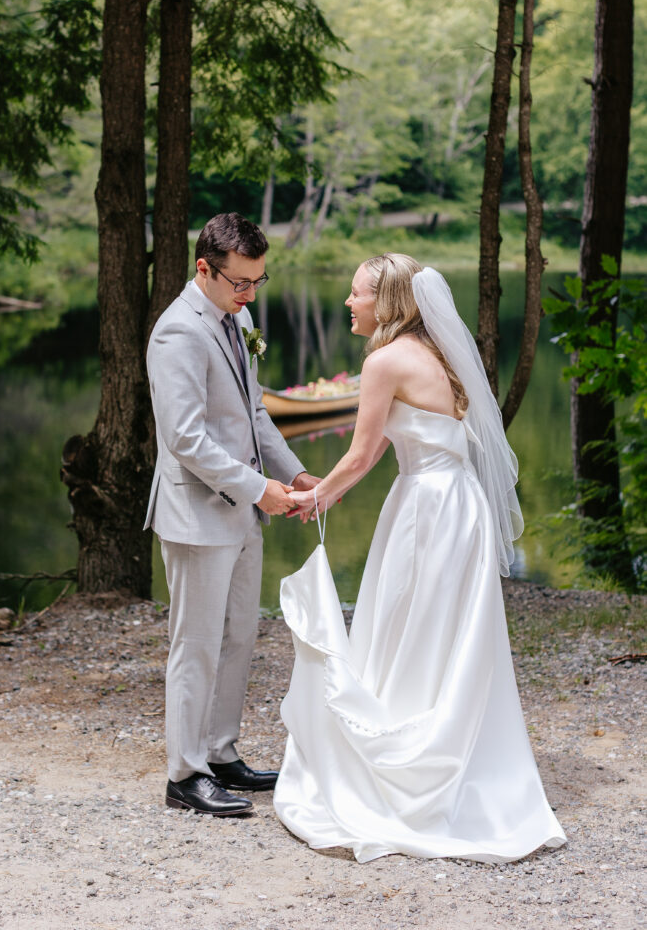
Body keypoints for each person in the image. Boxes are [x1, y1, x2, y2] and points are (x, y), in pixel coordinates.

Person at [276, 253, 566, 862]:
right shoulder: (438, 351)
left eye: (357, 295)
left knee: (409, 624)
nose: (349, 303)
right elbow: (385, 445)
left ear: (385, 303)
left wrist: (313, 498)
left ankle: (403, 769)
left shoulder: (384, 361)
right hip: (461, 508)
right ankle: (461, 756)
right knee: (452, 631)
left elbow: (360, 456)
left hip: (426, 512)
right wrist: (323, 489)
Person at [145, 213, 319, 817]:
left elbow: (253, 413)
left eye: (257, 282)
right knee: (195, 643)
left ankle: (221, 753)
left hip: (243, 511)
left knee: (240, 635)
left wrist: (293, 473)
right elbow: (186, 438)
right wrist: (257, 488)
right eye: (239, 283)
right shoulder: (177, 333)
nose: (248, 296)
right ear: (204, 269)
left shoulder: (235, 317)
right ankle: (184, 774)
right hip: (197, 513)